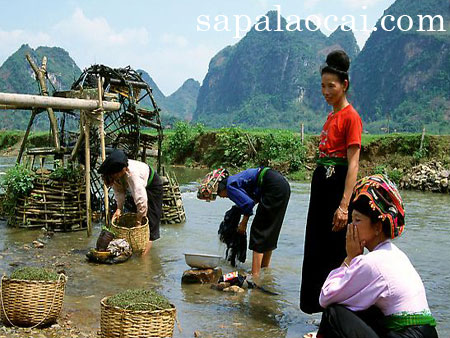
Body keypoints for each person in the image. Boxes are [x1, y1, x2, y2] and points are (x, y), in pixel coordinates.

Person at [317, 174, 438, 338]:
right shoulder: (396, 254)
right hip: (425, 334)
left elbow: (326, 297)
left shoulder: (373, 262)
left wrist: (349, 258)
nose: (351, 227)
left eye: (357, 220)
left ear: (377, 227)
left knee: (334, 313)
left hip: (408, 335)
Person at [300, 50, 363, 314]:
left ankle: (338, 314)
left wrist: (344, 206)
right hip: (322, 189)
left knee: (335, 252)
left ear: (344, 85)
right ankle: (320, 310)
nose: (326, 91)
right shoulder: (331, 116)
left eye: (331, 86)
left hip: (336, 190)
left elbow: (353, 164)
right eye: (323, 86)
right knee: (316, 248)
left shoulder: (351, 117)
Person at [197, 167, 290, 276]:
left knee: (258, 231)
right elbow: (253, 199)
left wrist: (243, 224)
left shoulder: (230, 186)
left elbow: (248, 204)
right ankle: (265, 270)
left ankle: (255, 275)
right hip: (281, 185)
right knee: (269, 230)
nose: (221, 197)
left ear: (221, 188)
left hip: (273, 187)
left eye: (218, 195)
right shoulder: (235, 181)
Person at [98, 149, 163, 255]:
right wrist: (119, 209)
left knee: (149, 224)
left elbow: (141, 200)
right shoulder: (114, 174)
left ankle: (143, 259)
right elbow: (119, 192)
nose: (126, 170)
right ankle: (133, 248)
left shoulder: (132, 174)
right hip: (133, 189)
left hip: (152, 187)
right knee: (131, 219)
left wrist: (139, 220)